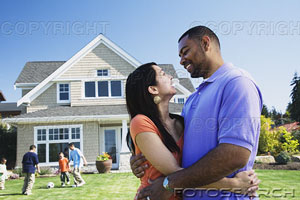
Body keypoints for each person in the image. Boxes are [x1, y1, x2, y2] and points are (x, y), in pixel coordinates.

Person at [126, 62, 260, 200]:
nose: (171, 77)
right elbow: (177, 173)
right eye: (163, 74)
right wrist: (233, 184)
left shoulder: (182, 121)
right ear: (153, 89)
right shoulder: (141, 122)